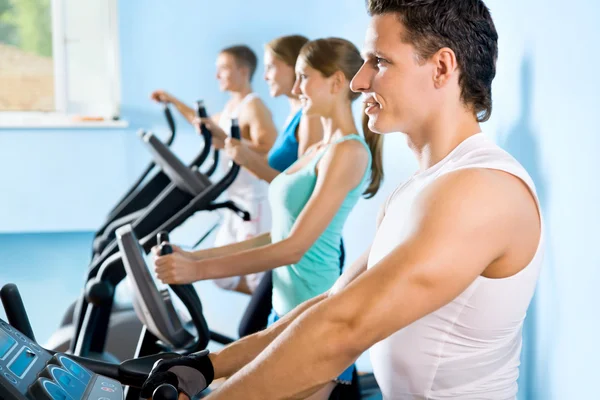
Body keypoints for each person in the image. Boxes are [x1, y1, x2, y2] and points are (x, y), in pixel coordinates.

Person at [142, 0, 543, 399]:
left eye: (379, 62)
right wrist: (209, 365)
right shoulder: (415, 191)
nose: (359, 82)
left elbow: (343, 330)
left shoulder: (482, 189)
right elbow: (332, 304)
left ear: (441, 67)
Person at [152, 37, 384, 399]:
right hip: (284, 310)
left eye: (304, 77)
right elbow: (278, 232)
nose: (295, 88)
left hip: (315, 318)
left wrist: (199, 271)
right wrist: (195, 256)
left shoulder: (348, 152)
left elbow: (293, 248)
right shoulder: (318, 148)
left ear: (337, 82)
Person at [150, 44, 278, 295]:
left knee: (258, 279)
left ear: (242, 71)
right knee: (222, 278)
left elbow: (270, 148)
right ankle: (263, 307)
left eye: (223, 69)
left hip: (255, 200)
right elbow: (205, 125)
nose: (217, 75)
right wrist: (172, 100)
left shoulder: (254, 106)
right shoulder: (232, 107)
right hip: (235, 200)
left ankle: (267, 313)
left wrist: (233, 143)